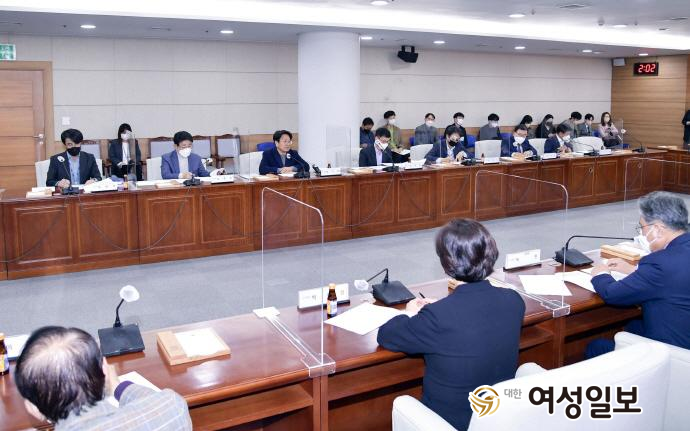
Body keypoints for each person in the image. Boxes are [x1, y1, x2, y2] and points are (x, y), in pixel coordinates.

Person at [378, 219, 525, 430]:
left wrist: (410, 313)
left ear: (447, 264)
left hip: (449, 422)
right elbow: (475, 319)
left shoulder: (438, 317)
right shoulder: (514, 301)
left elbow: (387, 335)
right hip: (498, 418)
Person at [14, 326, 192, 430]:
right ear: (105, 369)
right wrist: (117, 387)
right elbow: (159, 400)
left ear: (32, 408)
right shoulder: (173, 407)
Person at [586, 192, 690, 358]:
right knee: (633, 325)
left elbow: (612, 294)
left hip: (674, 355)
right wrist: (636, 271)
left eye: (642, 227)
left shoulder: (659, 262)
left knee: (597, 346)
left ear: (658, 229)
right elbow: (674, 277)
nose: (641, 233)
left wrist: (600, 274)